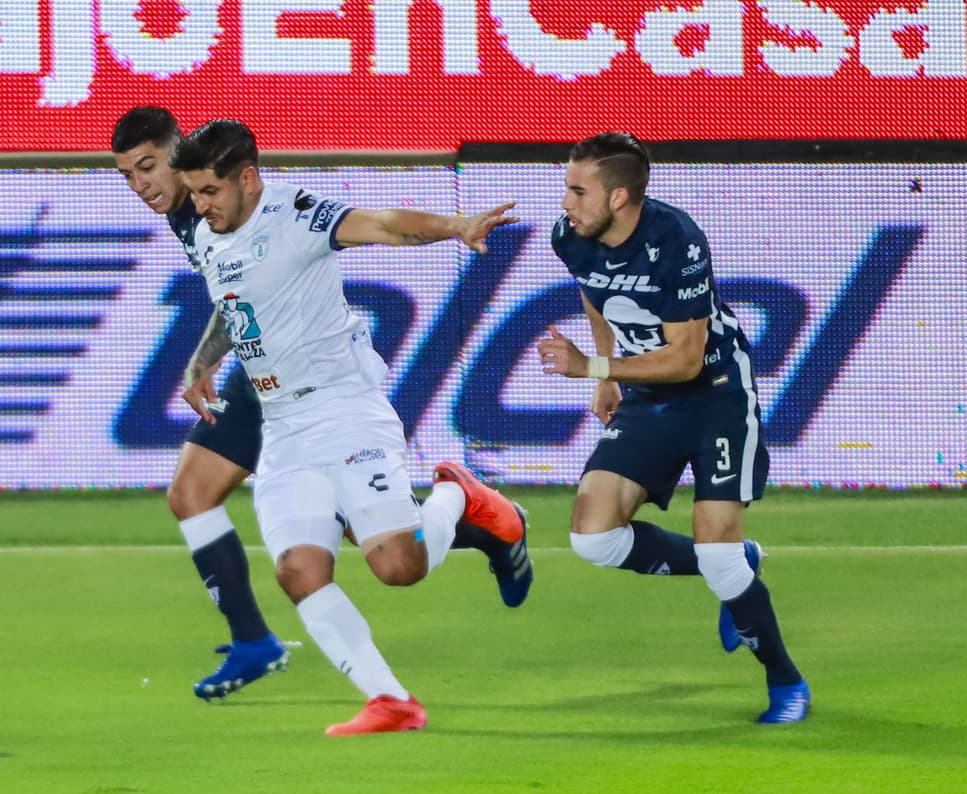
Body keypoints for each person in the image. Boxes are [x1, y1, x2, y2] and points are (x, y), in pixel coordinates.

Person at [170, 118, 532, 735]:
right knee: (298, 572)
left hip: (342, 408)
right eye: (195, 192)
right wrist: (204, 361)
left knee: (398, 566)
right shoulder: (209, 234)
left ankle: (461, 495)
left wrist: (456, 226)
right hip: (280, 423)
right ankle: (392, 701)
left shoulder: (297, 214)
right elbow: (234, 306)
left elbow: (387, 224)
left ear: (248, 178)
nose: (200, 206)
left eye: (210, 191)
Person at [536, 132, 810, 724]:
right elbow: (596, 296)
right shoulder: (572, 238)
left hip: (714, 394)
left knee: (719, 558)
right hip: (645, 395)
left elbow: (686, 358)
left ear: (620, 197)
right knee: (592, 538)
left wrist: (591, 364)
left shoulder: (675, 239)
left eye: (578, 190)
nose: (565, 202)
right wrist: (605, 381)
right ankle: (741, 560)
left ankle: (786, 682)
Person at [113, 107, 288, 701]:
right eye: (128, 178)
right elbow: (233, 293)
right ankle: (253, 642)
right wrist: (207, 359)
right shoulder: (187, 212)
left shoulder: (220, 205)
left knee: (378, 540)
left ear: (176, 152)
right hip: (258, 371)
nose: (140, 187)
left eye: (147, 168)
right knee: (190, 494)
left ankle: (474, 517)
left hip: (302, 377)